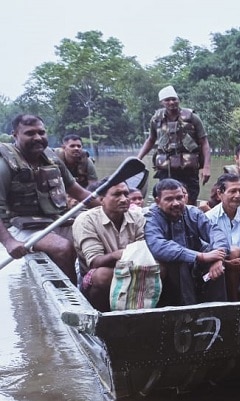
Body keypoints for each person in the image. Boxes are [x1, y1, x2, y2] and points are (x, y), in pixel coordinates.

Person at [0, 114, 99, 282]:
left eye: (41, 132)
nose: (38, 137)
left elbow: (79, 192)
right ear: (15, 134)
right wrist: (9, 242)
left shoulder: (51, 158)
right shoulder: (4, 165)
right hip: (18, 226)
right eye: (30, 133)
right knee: (63, 248)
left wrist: (105, 209)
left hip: (52, 220)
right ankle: (74, 294)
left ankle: (90, 282)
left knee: (96, 231)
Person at [144, 178, 228, 306]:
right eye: (169, 199)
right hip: (171, 275)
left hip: (195, 268)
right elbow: (158, 246)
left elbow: (215, 232)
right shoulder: (151, 218)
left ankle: (218, 308)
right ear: (157, 201)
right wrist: (200, 256)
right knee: (179, 260)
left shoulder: (193, 212)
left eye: (179, 198)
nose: (176, 203)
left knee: (216, 256)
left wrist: (218, 257)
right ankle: (189, 311)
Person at [73, 180, 145, 311]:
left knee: (161, 269)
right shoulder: (86, 220)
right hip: (97, 278)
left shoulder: (137, 217)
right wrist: (118, 255)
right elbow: (94, 262)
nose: (124, 199)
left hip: (132, 270)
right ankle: (101, 316)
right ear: (101, 200)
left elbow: (143, 250)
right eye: (117, 195)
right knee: (102, 275)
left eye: (126, 194)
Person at [136, 85, 211, 206]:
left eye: (173, 99)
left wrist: (206, 167)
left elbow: (204, 142)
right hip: (166, 169)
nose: (171, 102)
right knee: (166, 200)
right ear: (162, 102)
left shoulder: (192, 118)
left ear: (178, 99)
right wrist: (137, 159)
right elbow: (151, 139)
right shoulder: (156, 120)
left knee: (189, 200)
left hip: (188, 169)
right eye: (167, 100)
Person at [205, 173, 240, 300]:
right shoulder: (209, 218)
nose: (238, 195)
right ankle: (233, 304)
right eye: (233, 191)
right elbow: (207, 250)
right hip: (223, 268)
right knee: (233, 251)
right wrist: (228, 263)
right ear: (220, 194)